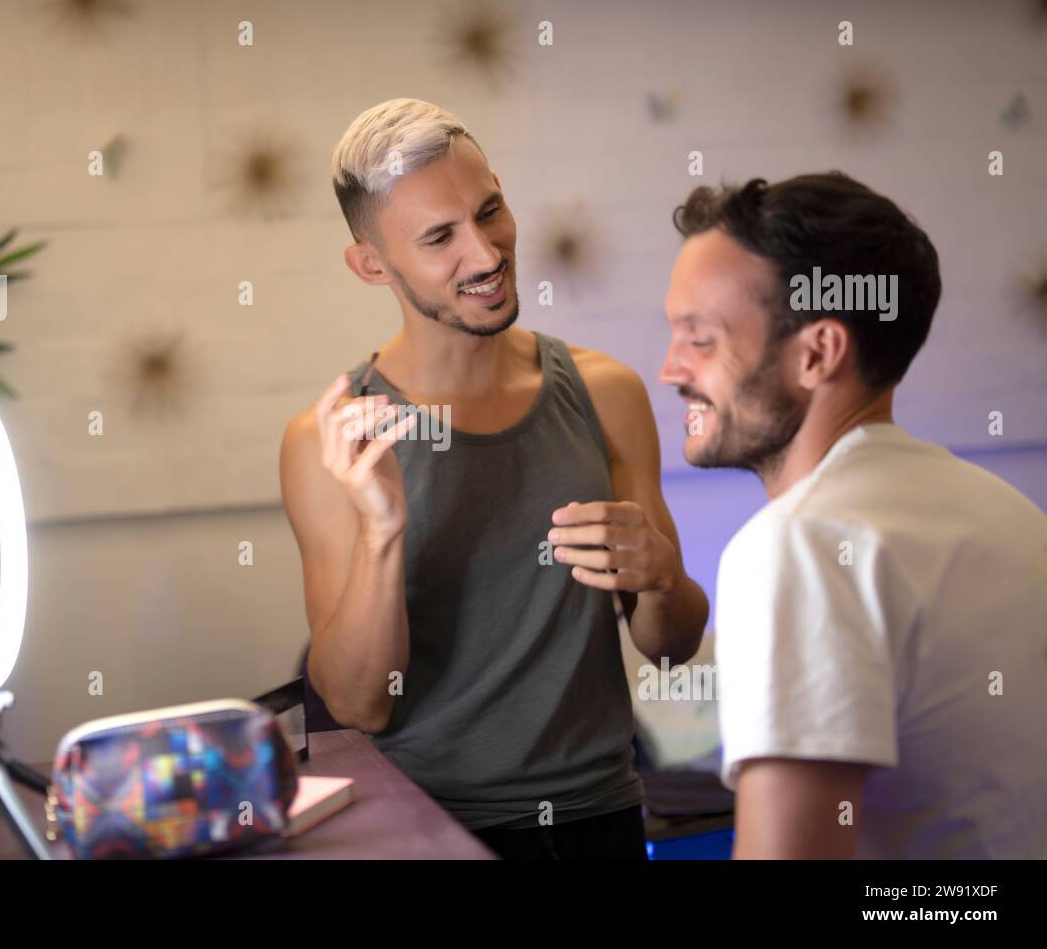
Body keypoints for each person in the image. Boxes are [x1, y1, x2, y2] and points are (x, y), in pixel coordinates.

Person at [279, 98, 710, 859]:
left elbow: (671, 646)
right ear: (372, 263)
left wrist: (661, 577)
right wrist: (383, 532)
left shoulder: (604, 390)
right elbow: (356, 706)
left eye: (491, 212)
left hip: (597, 816)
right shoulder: (329, 439)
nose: (485, 255)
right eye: (441, 237)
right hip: (420, 830)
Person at [659, 172, 1047, 858]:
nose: (670, 369)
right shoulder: (1012, 514)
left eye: (702, 340)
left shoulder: (798, 546)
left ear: (817, 353)